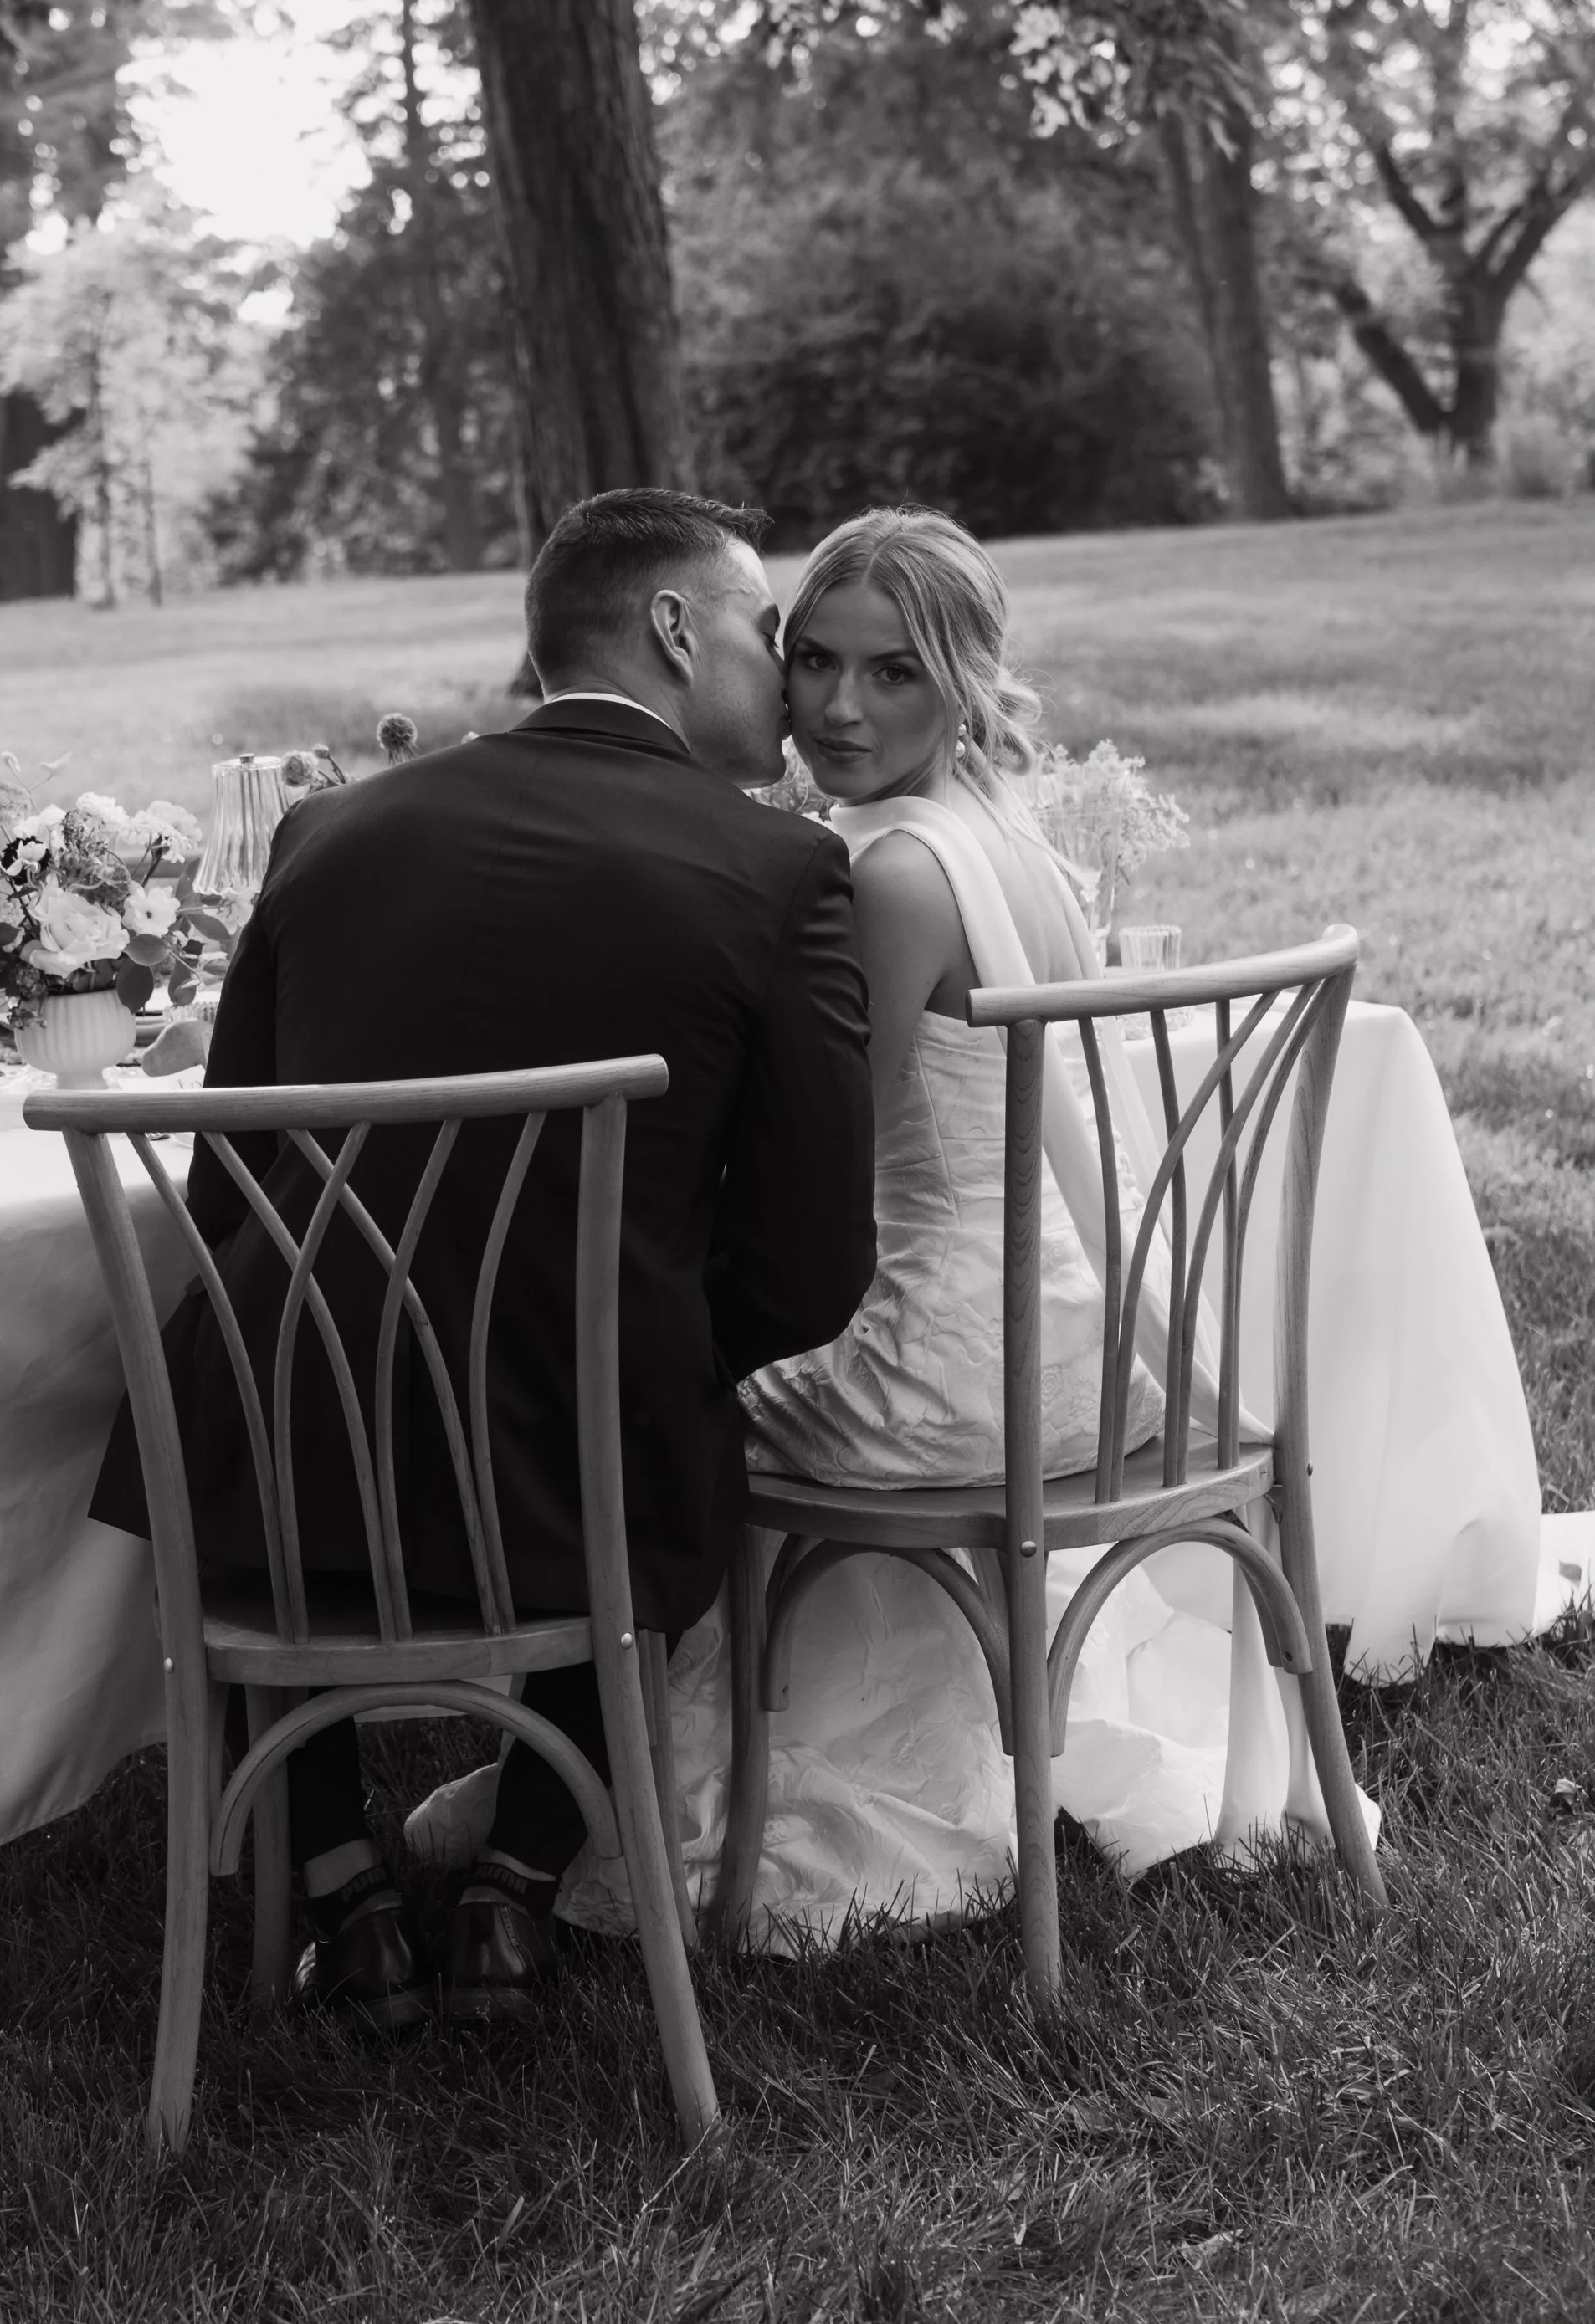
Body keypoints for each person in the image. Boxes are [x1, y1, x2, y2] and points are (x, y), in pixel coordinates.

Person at [422, 504, 1367, 1936]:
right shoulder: (1008, 839)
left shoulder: (883, 875)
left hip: (945, 1376)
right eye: (813, 662)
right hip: (1078, 1341)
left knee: (637, 1394)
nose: (837, 706)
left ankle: (581, 1790)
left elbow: (815, 1166)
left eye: (893, 673)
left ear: (964, 679)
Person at [91, 489, 878, 2026]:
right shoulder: (780, 872)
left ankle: (340, 1891)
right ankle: (516, 1886)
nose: (785, 678)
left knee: (263, 1357)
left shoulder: (331, 834)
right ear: (673, 627)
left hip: (283, 1470)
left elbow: (231, 1181)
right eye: (766, 632)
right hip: (573, 1478)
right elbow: (808, 1264)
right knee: (640, 1389)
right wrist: (634, 1336)